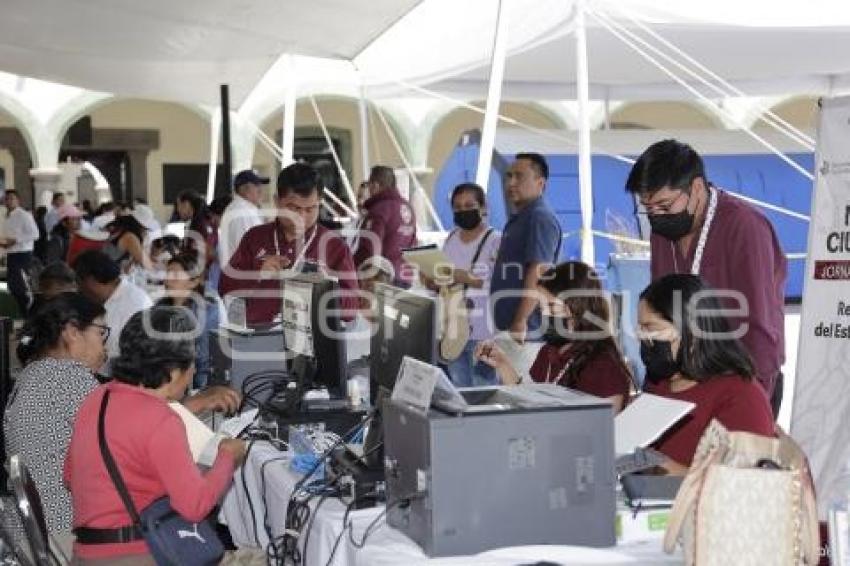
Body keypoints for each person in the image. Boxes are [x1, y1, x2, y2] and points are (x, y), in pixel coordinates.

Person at [64, 307, 246, 563]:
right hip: (136, 554)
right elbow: (195, 507)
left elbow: (70, 476)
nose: (194, 370)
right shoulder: (162, 420)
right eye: (192, 363)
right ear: (172, 373)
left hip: (85, 554)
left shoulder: (97, 398)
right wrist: (227, 457)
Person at [625, 139, 787, 416]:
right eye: (648, 208)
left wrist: (753, 403)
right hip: (680, 381)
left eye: (664, 205)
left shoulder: (744, 227)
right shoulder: (662, 232)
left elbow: (758, 327)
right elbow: (660, 306)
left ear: (697, 188)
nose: (656, 217)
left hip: (742, 384)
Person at [637, 273, 774, 474]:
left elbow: (744, 485)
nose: (642, 338)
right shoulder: (658, 383)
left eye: (651, 328)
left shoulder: (741, 396)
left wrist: (661, 467)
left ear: (692, 332)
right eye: (639, 329)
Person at [3, 294, 108, 544]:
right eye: (101, 333)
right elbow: (126, 441)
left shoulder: (33, 373)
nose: (105, 347)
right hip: (61, 531)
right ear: (72, 331)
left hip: (28, 530)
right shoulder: (69, 377)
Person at [477, 262, 633, 412]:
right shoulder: (549, 352)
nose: (544, 314)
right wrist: (502, 364)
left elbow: (602, 425)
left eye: (551, 306)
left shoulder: (605, 366)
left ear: (578, 306)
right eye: (541, 307)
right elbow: (531, 400)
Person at [219, 162, 359, 325]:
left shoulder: (334, 246)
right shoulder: (255, 237)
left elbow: (351, 309)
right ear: (277, 202)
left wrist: (324, 288)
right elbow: (224, 286)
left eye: (310, 209)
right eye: (294, 208)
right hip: (259, 340)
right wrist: (257, 273)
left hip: (312, 344)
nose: (301, 217)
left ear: (319, 203)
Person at [424, 183, 501, 386]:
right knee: (457, 388)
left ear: (483, 207)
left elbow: (499, 283)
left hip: (482, 329)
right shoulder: (451, 237)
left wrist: (463, 277)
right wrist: (432, 280)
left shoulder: (495, 240)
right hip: (452, 326)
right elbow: (443, 276)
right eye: (457, 207)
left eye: (469, 205)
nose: (463, 211)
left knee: (483, 391)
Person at [489, 153, 562, 344]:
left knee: (520, 375)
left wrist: (520, 320)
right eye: (509, 176)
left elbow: (538, 271)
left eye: (519, 176)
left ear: (540, 183)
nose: (511, 183)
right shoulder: (521, 217)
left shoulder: (540, 218)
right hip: (508, 326)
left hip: (527, 331)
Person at [73, 250, 153, 365]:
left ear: (90, 281)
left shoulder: (135, 304)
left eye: (79, 282)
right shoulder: (101, 298)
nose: (78, 288)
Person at [156, 250, 222, 389]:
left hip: (193, 383)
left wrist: (200, 392)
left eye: (175, 275)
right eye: (167, 273)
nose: (167, 280)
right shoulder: (159, 308)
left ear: (194, 282)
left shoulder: (207, 312)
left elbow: (205, 360)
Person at [353, 165, 417, 286]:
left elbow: (370, 247)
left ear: (375, 186)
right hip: (405, 277)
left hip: (383, 280)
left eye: (369, 185)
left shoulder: (379, 210)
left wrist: (352, 268)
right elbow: (414, 244)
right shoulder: (408, 208)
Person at [1, 190, 40, 314]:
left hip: (23, 255)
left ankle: (28, 313)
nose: (9, 201)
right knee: (13, 287)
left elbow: (35, 234)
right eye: (7, 199)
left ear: (18, 200)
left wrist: (16, 240)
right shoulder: (6, 216)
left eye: (12, 198)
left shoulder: (23, 215)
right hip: (12, 254)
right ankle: (22, 311)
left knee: (22, 287)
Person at [220, 169, 268, 267]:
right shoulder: (241, 211)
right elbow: (249, 247)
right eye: (256, 186)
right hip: (242, 274)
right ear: (243, 189)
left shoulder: (245, 209)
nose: (261, 190)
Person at [103, 213, 153, 279]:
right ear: (139, 226)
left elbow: (127, 268)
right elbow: (146, 264)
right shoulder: (130, 237)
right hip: (104, 275)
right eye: (145, 229)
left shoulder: (119, 228)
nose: (145, 232)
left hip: (103, 270)